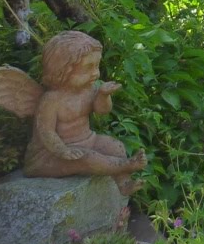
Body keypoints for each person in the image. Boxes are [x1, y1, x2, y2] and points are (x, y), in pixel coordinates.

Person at [12, 31, 146, 194]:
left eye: (96, 66)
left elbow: (102, 110)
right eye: (88, 68)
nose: (95, 73)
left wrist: (103, 95)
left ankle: (123, 184)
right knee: (87, 159)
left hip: (86, 142)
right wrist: (62, 150)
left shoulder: (88, 89)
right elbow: (46, 132)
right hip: (49, 156)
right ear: (63, 70)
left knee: (115, 146)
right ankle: (127, 165)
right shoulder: (51, 100)